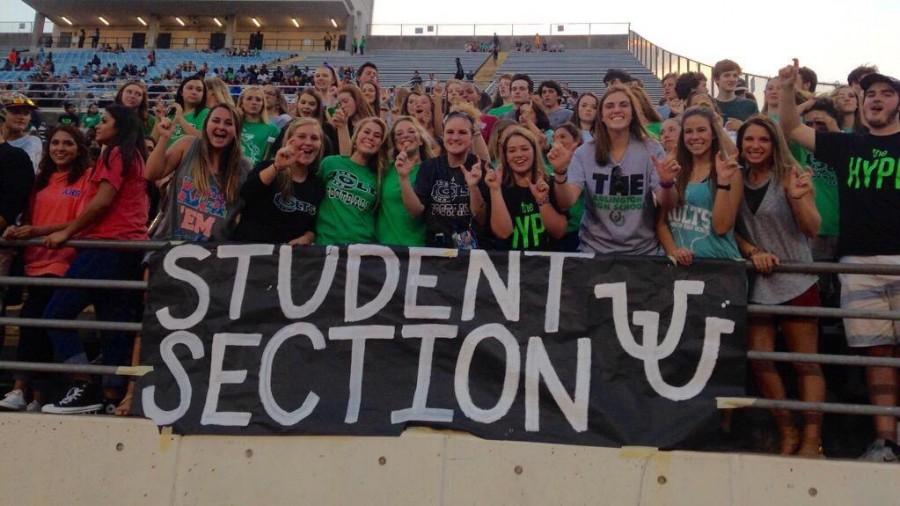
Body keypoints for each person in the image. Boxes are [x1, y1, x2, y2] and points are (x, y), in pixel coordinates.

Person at [778, 61, 900, 462]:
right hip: (857, 263)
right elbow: (792, 129)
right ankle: (886, 441)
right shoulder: (848, 145)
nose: (875, 100)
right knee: (876, 354)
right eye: (870, 94)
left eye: (886, 93)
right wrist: (786, 89)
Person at [39, 105, 148, 414]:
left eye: (104, 121)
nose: (96, 125)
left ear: (120, 126)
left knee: (55, 314)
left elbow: (102, 201)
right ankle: (111, 395)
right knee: (115, 324)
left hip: (106, 246)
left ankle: (82, 385)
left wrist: (67, 232)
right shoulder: (133, 155)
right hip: (128, 249)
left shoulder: (115, 152)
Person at [733, 114, 824, 457]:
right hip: (758, 281)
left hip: (797, 277)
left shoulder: (790, 176)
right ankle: (786, 429)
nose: (755, 146)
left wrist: (798, 198)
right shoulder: (735, 178)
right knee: (760, 359)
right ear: (740, 145)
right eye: (749, 140)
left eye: (763, 140)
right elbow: (731, 230)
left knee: (806, 363)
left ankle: (812, 439)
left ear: (774, 144)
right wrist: (753, 251)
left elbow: (813, 228)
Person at [0, 126, 89, 412]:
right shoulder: (40, 181)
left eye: (68, 143)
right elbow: (26, 217)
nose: (60, 148)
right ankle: (29, 393)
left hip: (64, 262)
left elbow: (80, 221)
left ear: (79, 148)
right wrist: (19, 231)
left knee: (38, 321)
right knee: (33, 324)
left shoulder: (86, 179)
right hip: (33, 261)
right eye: (55, 143)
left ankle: (29, 391)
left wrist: (38, 230)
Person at [550, 85, 680, 254]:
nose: (617, 110)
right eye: (610, 106)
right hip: (594, 252)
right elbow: (566, 202)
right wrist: (560, 173)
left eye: (623, 105)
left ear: (632, 113)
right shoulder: (584, 153)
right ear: (601, 116)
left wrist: (667, 183)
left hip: (643, 253)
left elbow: (668, 203)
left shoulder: (651, 149)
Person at [656, 107, 742, 266]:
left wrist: (723, 181)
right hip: (682, 271)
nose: (695, 137)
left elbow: (722, 227)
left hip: (720, 266)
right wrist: (674, 251)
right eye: (688, 131)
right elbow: (661, 224)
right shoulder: (675, 170)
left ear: (714, 133)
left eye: (701, 130)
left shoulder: (730, 171)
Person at [400, 111, 488, 248]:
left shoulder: (481, 167)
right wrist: (404, 178)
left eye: (462, 132)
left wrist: (473, 187)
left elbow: (481, 218)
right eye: (450, 132)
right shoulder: (429, 166)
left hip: (472, 252)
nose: (455, 137)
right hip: (436, 250)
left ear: (471, 138)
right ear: (443, 136)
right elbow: (415, 211)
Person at [234, 118, 325, 244]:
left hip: (287, 259)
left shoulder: (317, 185)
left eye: (314, 138)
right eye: (302, 136)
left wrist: (308, 237)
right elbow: (245, 195)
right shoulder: (268, 167)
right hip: (252, 252)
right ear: (289, 141)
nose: (308, 142)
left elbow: (314, 225)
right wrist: (276, 167)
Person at [483, 125, 566, 250]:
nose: (519, 154)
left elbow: (559, 232)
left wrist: (543, 201)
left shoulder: (551, 183)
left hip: (546, 263)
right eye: (512, 151)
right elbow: (503, 233)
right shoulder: (497, 186)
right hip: (509, 264)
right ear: (505, 156)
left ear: (534, 151)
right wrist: (495, 190)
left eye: (524, 149)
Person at [314, 117, 388, 245]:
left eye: (377, 135)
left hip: (361, 247)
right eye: (366, 132)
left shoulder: (380, 177)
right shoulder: (331, 163)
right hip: (325, 243)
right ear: (356, 135)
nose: (370, 137)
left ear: (381, 144)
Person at [377, 116, 433, 246]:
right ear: (395, 142)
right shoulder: (384, 169)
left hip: (416, 249)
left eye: (411, 131)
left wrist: (403, 177)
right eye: (399, 134)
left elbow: (416, 211)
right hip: (382, 248)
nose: (405, 136)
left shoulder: (431, 169)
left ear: (420, 140)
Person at [237, 86, 280, 165]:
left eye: (258, 100)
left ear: (263, 104)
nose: (254, 102)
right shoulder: (233, 125)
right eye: (249, 98)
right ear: (241, 103)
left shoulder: (272, 130)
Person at [164, 75, 210, 147]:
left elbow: (202, 139)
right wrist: (158, 118)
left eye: (199, 90)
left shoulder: (206, 113)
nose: (194, 92)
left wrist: (179, 118)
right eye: (190, 88)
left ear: (203, 95)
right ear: (181, 92)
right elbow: (155, 141)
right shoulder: (171, 115)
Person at [1, 93, 43, 172]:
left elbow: (19, 171)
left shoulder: (32, 142)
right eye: (16, 112)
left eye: (26, 113)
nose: (22, 117)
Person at [713, 59, 759, 127]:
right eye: (727, 75)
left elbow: (758, 133)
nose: (732, 79)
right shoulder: (710, 106)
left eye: (735, 76)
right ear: (717, 79)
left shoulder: (750, 105)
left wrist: (742, 127)